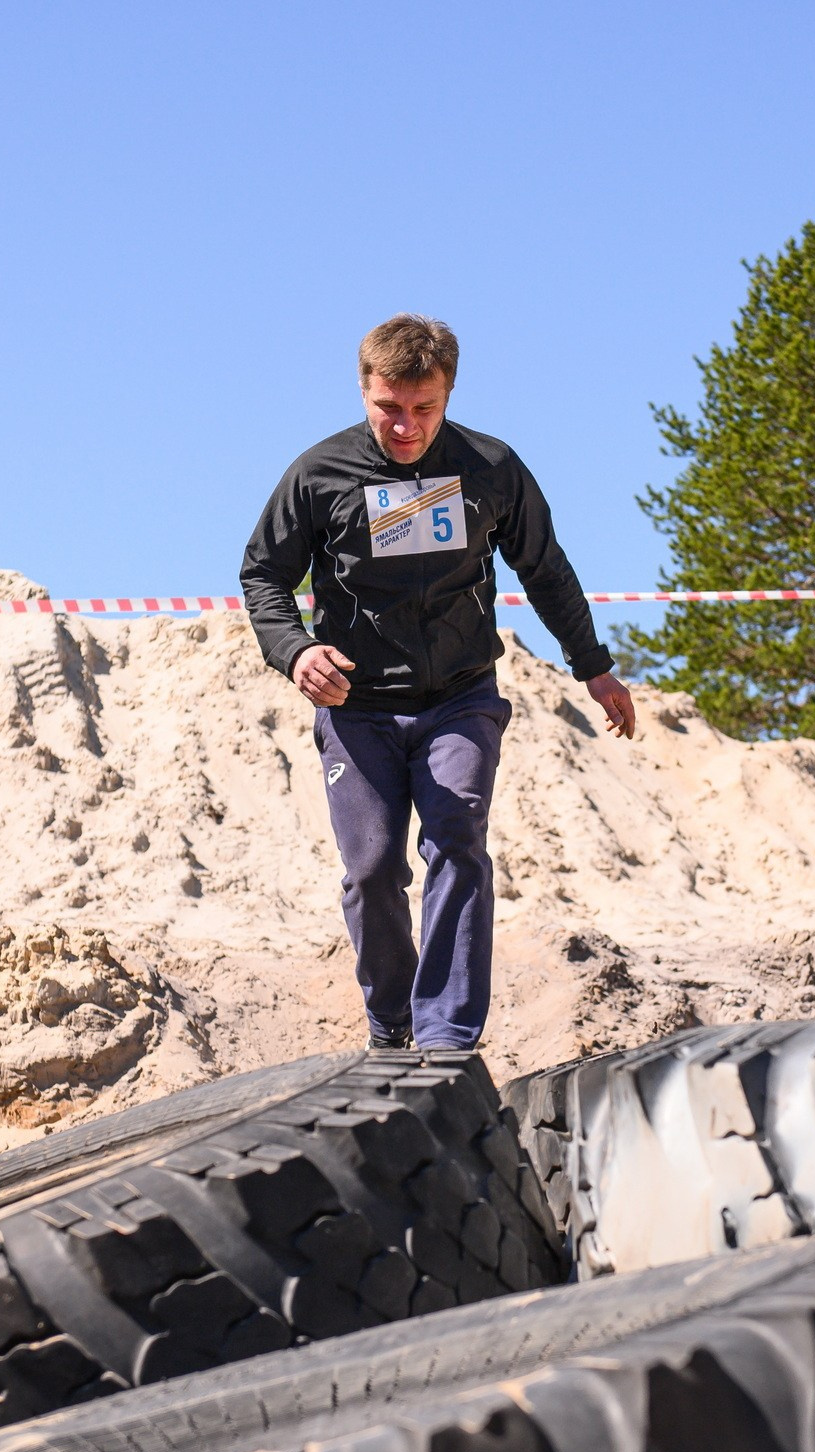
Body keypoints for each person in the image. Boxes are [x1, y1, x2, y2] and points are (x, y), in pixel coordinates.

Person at [241, 314, 637, 1052]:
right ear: (364, 390)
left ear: (448, 393)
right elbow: (263, 574)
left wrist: (593, 667)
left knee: (457, 838)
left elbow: (544, 569)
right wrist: (294, 652)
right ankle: (391, 1026)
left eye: (423, 408)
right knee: (370, 869)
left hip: (460, 698)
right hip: (357, 706)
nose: (404, 427)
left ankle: (448, 1034)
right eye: (388, 407)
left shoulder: (491, 467)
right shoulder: (318, 474)